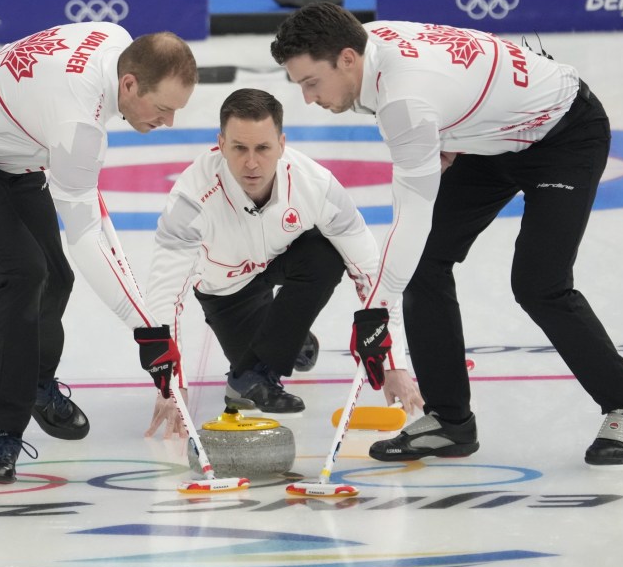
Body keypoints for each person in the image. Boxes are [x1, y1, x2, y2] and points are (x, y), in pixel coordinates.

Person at [270, 3, 623, 466]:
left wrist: (374, 313)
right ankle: (450, 421)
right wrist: (453, 131)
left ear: (348, 58)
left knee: (540, 284)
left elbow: (410, 217)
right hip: (493, 140)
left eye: (311, 83)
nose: (308, 99)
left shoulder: (404, 100)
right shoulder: (361, 42)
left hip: (565, 135)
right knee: (425, 266)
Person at [0, 22, 197, 483]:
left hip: (10, 152)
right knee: (24, 273)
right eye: (162, 108)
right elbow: (88, 235)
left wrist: (149, 331)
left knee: (56, 277)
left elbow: (95, 220)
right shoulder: (78, 120)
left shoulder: (115, 40)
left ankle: (36, 383)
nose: (168, 122)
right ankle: (4, 430)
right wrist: (148, 333)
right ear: (129, 84)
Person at [141, 87, 421, 438]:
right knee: (273, 354)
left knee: (324, 253)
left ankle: (262, 364)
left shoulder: (315, 184)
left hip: (284, 261)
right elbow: (163, 296)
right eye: (239, 148)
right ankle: (289, 338)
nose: (252, 163)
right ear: (221, 144)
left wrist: (394, 364)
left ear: (282, 144)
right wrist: (171, 385)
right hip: (227, 290)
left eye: (263, 148)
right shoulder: (191, 199)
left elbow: (371, 271)